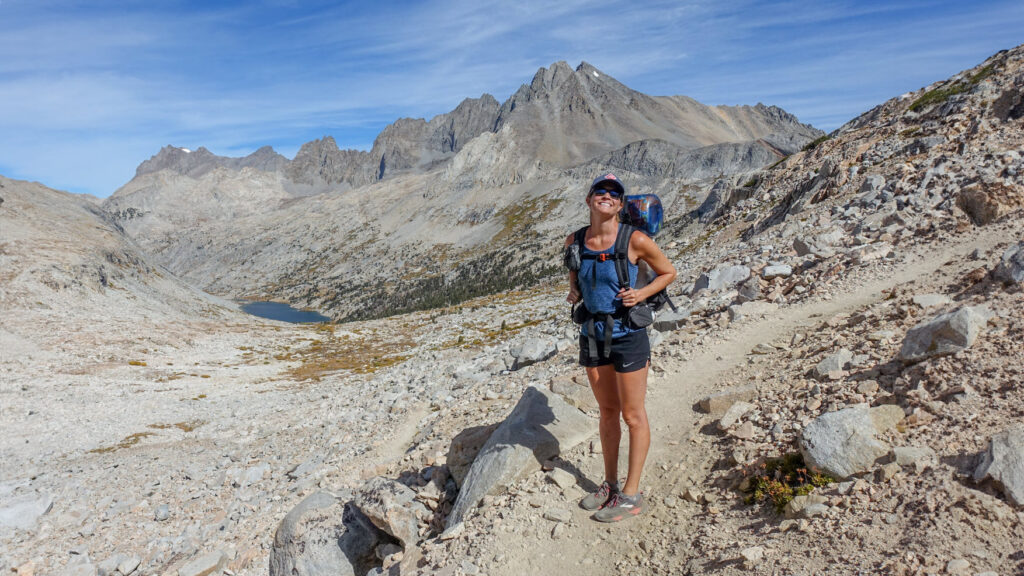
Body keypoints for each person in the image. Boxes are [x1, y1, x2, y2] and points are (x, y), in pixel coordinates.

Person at [564, 173, 677, 522]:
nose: (607, 196)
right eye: (601, 191)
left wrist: (640, 294)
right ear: (589, 200)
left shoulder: (636, 239)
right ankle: (610, 484)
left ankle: (631, 494)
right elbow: (574, 269)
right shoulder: (575, 239)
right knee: (607, 412)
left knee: (632, 414)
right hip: (592, 333)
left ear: (621, 204)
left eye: (615, 194)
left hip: (628, 333)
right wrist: (575, 292)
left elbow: (668, 272)